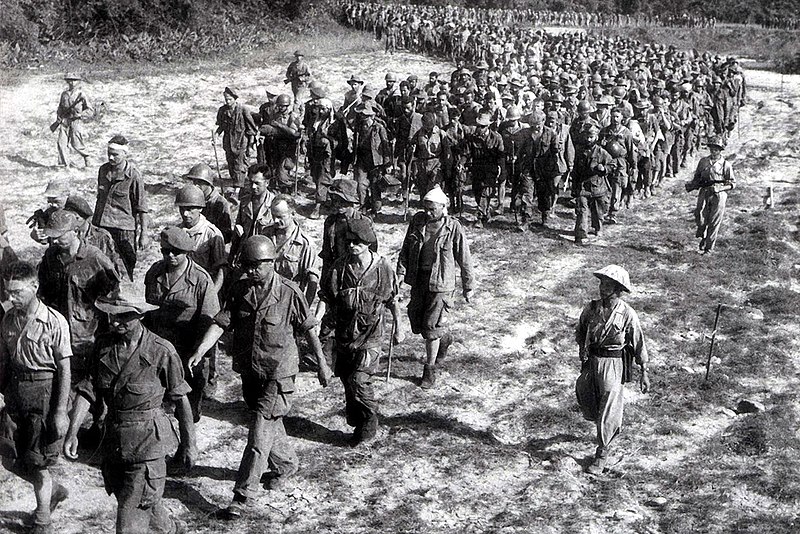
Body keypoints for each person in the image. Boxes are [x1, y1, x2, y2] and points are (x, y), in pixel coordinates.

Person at [187, 236, 332, 519]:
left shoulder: (290, 292)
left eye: (257, 266)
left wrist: (322, 365)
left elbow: (309, 329)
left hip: (279, 372)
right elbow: (222, 322)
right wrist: (201, 350)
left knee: (259, 429)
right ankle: (286, 464)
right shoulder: (240, 288)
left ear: (272, 263)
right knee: (267, 422)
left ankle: (243, 495)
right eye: (247, 265)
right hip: (252, 371)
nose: (251, 270)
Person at [64, 285, 197, 534]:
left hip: (148, 444)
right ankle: (171, 529)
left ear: (140, 315)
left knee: (128, 523)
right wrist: (72, 432)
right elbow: (87, 390)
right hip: (114, 443)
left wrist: (189, 443)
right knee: (136, 500)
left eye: (123, 316)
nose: (115, 322)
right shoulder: (103, 347)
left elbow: (181, 399)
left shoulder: (161, 351)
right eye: (112, 315)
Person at [0, 260, 72, 534]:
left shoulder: (54, 322)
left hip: (44, 394)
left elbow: (65, 368)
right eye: (8, 292)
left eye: (17, 292)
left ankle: (43, 521)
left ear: (34, 287)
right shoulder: (8, 319)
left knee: (38, 462)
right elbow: (4, 361)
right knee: (10, 458)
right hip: (15, 393)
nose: (10, 297)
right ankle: (52, 491)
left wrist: (60, 411)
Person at [319, 219, 404, 445]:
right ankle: (358, 422)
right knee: (347, 381)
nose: (352, 246)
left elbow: (392, 300)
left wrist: (399, 327)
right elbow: (330, 301)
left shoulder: (382, 268)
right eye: (348, 241)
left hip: (371, 336)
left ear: (368, 243)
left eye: (357, 242)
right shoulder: (339, 267)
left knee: (359, 380)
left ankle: (370, 421)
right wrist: (324, 331)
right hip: (345, 335)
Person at [575, 265, 650, 475]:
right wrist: (583, 348)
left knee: (609, 406)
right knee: (584, 391)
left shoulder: (627, 313)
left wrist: (644, 371)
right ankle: (602, 426)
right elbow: (580, 330)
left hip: (613, 363)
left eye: (607, 284)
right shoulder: (591, 308)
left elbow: (638, 342)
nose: (602, 288)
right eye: (601, 283)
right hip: (592, 361)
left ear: (617, 288)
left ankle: (602, 452)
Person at [397, 186, 474, 388]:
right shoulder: (417, 222)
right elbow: (405, 248)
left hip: (441, 283)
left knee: (430, 327)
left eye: (433, 209)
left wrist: (468, 285)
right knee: (417, 322)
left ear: (443, 207)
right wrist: (400, 273)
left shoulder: (453, 227)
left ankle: (429, 371)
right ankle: (444, 338)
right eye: (426, 208)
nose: (429, 212)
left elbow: (464, 257)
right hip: (419, 279)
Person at [144, 227, 220, 424]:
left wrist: (201, 353)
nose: (170, 256)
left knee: (188, 412)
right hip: (159, 350)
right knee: (157, 407)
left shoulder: (201, 279)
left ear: (187, 252)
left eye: (176, 252)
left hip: (188, 352)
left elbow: (210, 319)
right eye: (165, 251)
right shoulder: (155, 273)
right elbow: (148, 312)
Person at [37, 209, 120, 377]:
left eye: (59, 236)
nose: (54, 240)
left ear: (75, 231)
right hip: (59, 334)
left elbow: (113, 296)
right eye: (51, 236)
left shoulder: (95, 258)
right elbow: (44, 294)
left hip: (89, 336)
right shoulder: (51, 256)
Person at [92, 135, 150, 280]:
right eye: (108, 154)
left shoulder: (133, 176)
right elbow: (100, 199)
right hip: (102, 226)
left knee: (126, 265)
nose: (111, 158)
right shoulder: (103, 170)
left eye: (115, 154)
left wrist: (144, 234)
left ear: (125, 154)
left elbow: (142, 207)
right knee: (101, 264)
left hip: (124, 229)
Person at [262, 195, 320, 306]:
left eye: (280, 217)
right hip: (264, 297)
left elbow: (312, 282)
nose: (275, 220)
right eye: (273, 216)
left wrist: (304, 310)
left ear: (293, 214)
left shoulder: (305, 244)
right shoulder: (265, 234)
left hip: (288, 302)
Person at [684, 136, 735, 254]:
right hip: (704, 192)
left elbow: (733, 183)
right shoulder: (703, 161)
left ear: (720, 150)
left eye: (716, 149)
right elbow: (697, 177)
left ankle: (709, 249)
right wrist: (692, 184)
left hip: (719, 195)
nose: (713, 151)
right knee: (699, 215)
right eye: (711, 148)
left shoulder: (725, 164)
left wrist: (721, 188)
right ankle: (703, 236)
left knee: (714, 220)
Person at [175, 185, 227, 290]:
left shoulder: (212, 234)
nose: (185, 214)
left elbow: (221, 270)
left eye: (190, 209)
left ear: (200, 209)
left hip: (205, 288)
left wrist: (212, 294)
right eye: (182, 209)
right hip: (182, 288)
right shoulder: (176, 232)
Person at [570, 124, 613, 245]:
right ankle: (581, 234)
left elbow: (612, 165)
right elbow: (576, 171)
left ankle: (598, 227)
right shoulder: (579, 152)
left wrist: (604, 168)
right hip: (583, 186)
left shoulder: (602, 152)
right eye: (586, 137)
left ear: (596, 137)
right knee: (581, 210)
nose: (588, 139)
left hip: (597, 187)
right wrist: (574, 187)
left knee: (598, 211)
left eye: (591, 137)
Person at [462, 112, 504, 228]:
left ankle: (479, 218)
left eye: (482, 126)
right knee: (477, 192)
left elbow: (501, 156)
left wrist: (502, 172)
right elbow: (466, 153)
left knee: (485, 193)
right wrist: (461, 163)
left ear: (488, 126)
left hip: (490, 169)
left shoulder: (496, 137)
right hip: (477, 169)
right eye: (478, 125)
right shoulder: (472, 138)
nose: (479, 128)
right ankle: (486, 212)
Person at [216, 87, 257, 201]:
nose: (227, 102)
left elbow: (251, 128)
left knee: (239, 165)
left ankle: (237, 191)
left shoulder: (243, 109)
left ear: (234, 98)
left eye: (229, 99)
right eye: (226, 99)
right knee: (231, 165)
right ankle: (239, 184)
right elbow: (221, 126)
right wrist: (215, 136)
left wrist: (250, 145)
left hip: (240, 142)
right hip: (228, 143)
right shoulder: (223, 111)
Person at [229, 164, 275, 264]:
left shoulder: (274, 205)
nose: (253, 187)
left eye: (257, 183)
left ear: (267, 183)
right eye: (251, 182)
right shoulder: (245, 202)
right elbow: (237, 235)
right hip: (245, 252)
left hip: (264, 256)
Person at [183, 162, 234, 244]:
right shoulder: (193, 199)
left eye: (199, 182)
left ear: (208, 183)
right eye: (194, 182)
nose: (196, 185)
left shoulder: (220, 203)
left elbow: (226, 235)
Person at [55, 73, 93, 168]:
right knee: (61, 143)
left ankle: (86, 157)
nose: (72, 82)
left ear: (78, 81)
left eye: (74, 80)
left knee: (76, 144)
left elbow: (90, 110)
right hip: (65, 121)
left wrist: (80, 115)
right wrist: (59, 117)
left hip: (76, 121)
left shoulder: (81, 94)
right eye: (70, 80)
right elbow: (60, 107)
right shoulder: (64, 94)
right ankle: (64, 164)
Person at [27, 181, 70, 245]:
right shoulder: (51, 212)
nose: (53, 205)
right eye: (49, 201)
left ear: (67, 196)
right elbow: (45, 239)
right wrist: (36, 235)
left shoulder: (75, 214)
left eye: (57, 201)